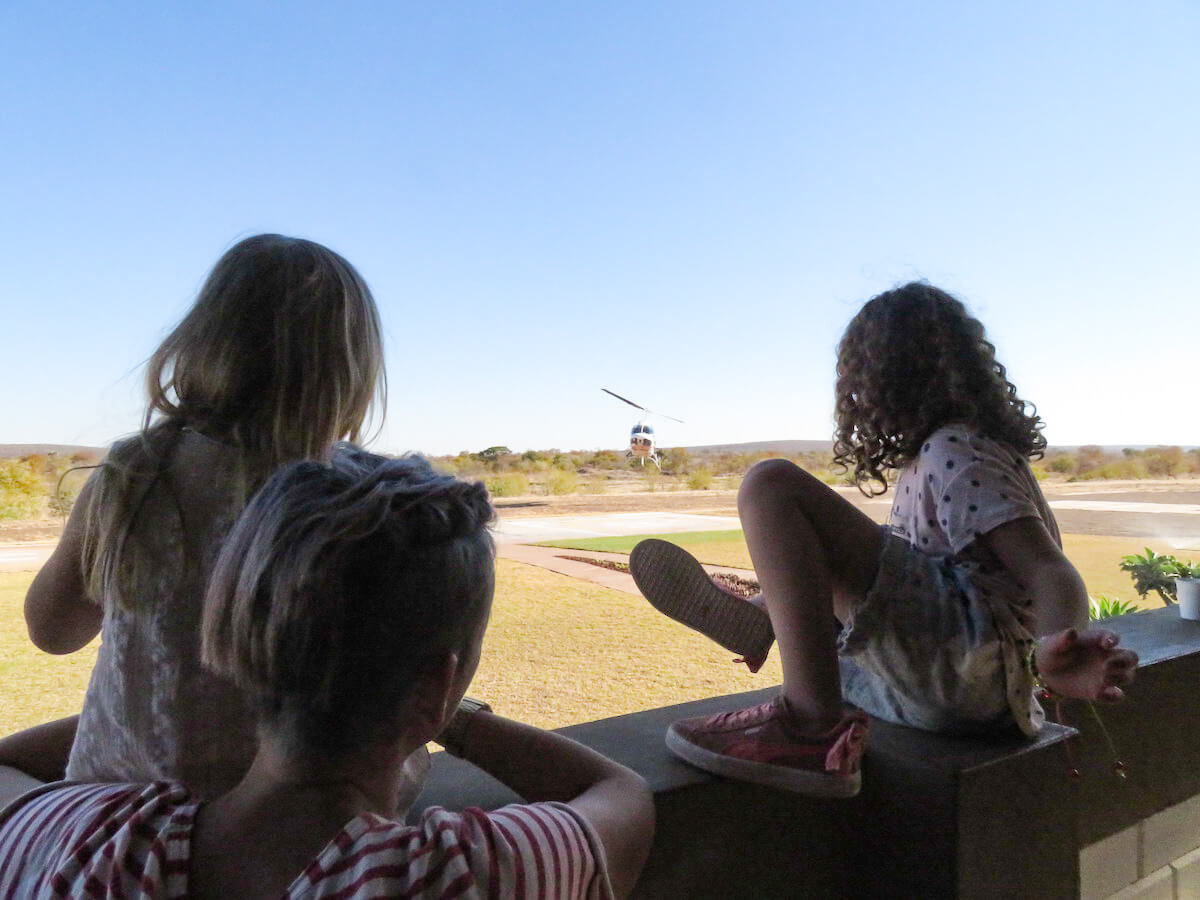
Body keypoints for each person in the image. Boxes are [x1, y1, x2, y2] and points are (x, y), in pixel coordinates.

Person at [0, 451, 655, 898]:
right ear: (430, 693)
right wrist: (452, 721)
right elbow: (620, 795)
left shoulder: (95, 841)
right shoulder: (457, 875)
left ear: (230, 640)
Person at [629, 281, 1138, 797]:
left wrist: (1056, 648)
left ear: (885, 377)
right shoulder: (947, 452)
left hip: (967, 670)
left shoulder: (958, 451)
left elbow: (1050, 571)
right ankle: (762, 616)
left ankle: (810, 724)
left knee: (770, 485)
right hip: (967, 689)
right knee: (844, 553)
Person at [0, 234, 395, 800]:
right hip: (304, 810)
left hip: (128, 810)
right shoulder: (373, 497)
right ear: (353, 367)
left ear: (203, 343)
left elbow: (53, 631)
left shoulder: (137, 473)